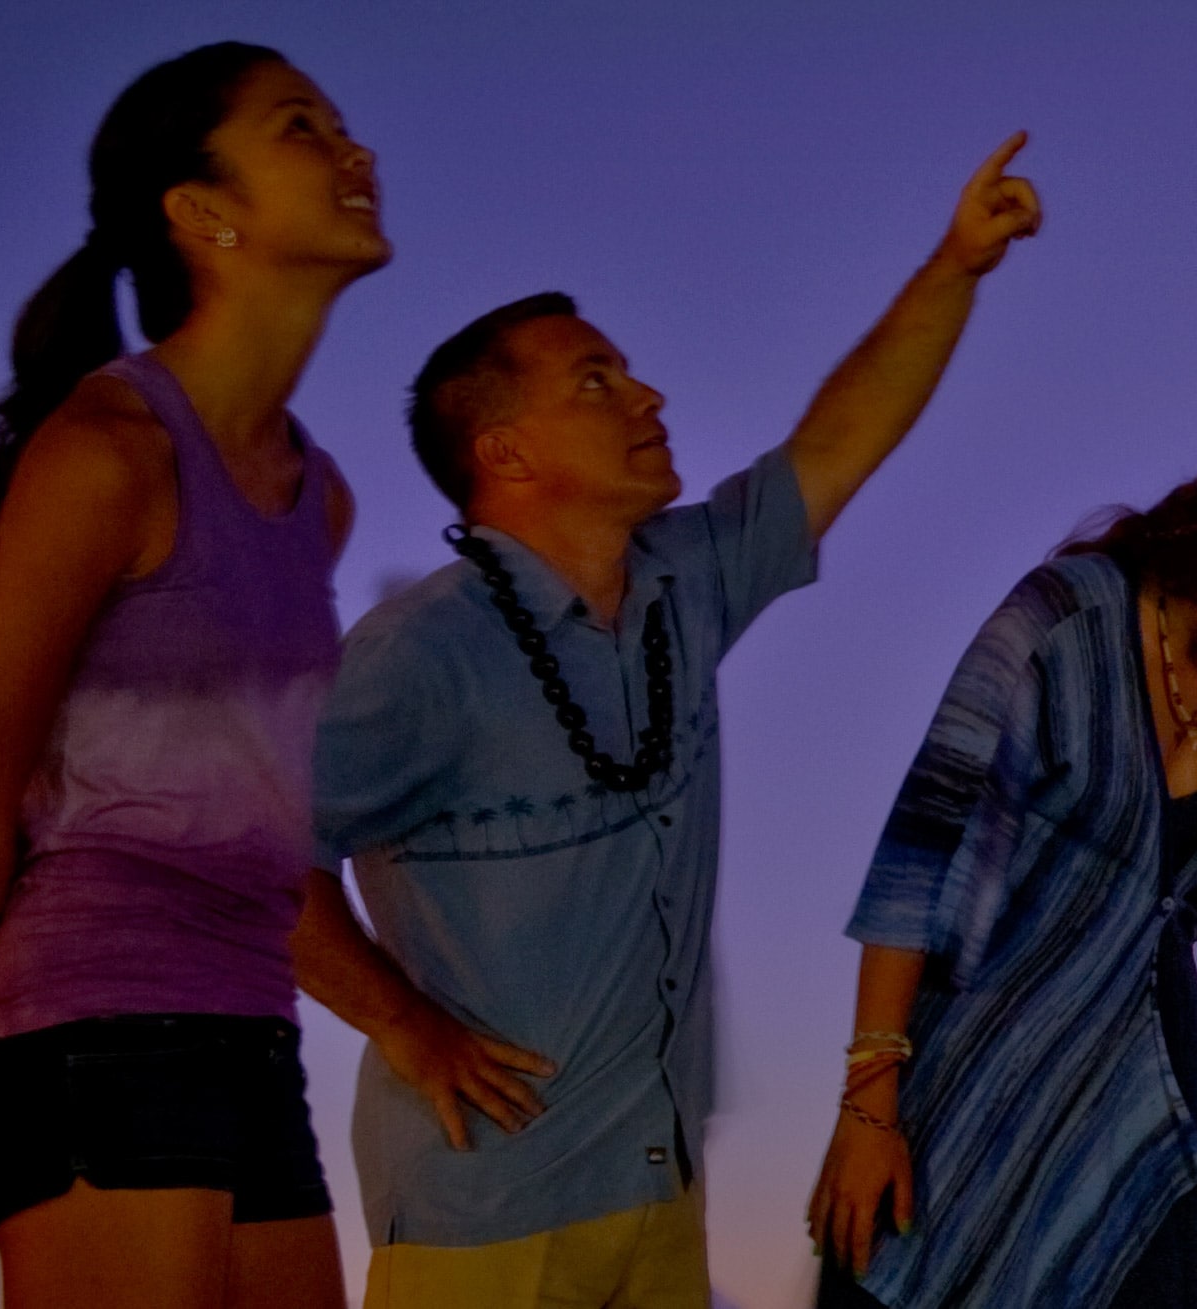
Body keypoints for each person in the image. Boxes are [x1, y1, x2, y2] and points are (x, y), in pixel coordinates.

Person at [289, 135, 1040, 1309]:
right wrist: (401, 1022)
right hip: (485, 1215)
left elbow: (839, 442)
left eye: (628, 372)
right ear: (505, 452)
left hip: (655, 1190)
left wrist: (955, 264)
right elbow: (248, 852)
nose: (646, 396)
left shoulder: (682, 584)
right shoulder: (419, 653)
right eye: (595, 380)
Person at [0, 42, 385, 1308]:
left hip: (247, 1031)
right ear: (203, 212)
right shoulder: (108, 452)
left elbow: (266, 830)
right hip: (92, 1022)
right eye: (301, 128)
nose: (356, 153)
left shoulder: (313, 496)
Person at [808, 440, 1197, 1309]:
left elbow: (1152, 865)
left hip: (1143, 1094)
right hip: (986, 1080)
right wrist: (869, 1105)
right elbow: (922, 849)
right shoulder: (1058, 626)